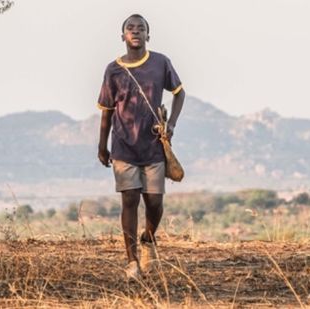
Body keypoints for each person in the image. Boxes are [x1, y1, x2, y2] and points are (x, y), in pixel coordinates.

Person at [96, 13, 185, 278]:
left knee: (155, 202)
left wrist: (173, 124)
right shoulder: (113, 69)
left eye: (141, 28)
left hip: (153, 146)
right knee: (130, 200)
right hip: (123, 145)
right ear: (122, 36)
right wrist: (102, 146)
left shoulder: (160, 63)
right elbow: (107, 110)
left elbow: (179, 93)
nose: (135, 31)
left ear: (148, 35)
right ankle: (132, 261)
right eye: (130, 28)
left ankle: (148, 238)